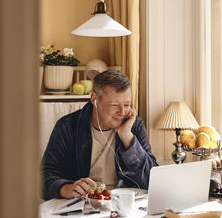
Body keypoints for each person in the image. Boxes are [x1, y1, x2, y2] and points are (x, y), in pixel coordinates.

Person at [41, 70, 158, 200]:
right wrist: (65, 188)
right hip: (81, 205)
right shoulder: (67, 126)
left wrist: (127, 137)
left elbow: (152, 181)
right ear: (94, 99)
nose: (122, 112)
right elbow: (43, 177)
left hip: (125, 205)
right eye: (114, 105)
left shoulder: (134, 126)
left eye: (127, 105)